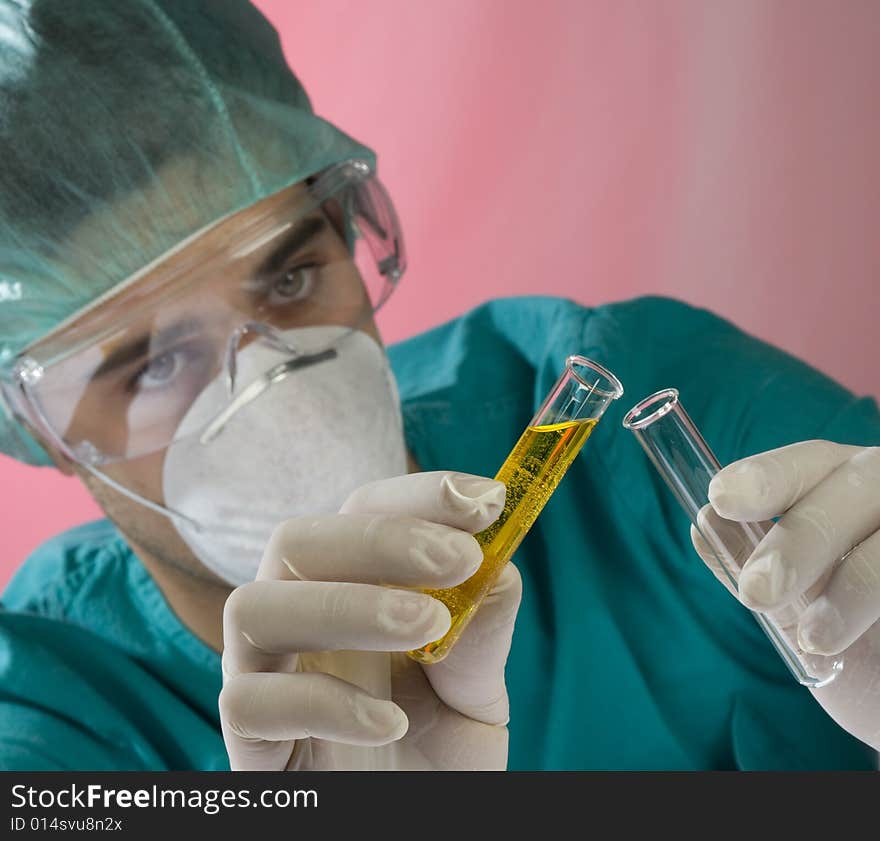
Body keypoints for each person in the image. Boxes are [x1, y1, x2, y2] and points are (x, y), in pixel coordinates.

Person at [0, 0, 878, 771]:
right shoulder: (50, 714)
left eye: (292, 277)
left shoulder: (653, 409)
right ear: (40, 427)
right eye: (154, 363)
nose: (272, 381)